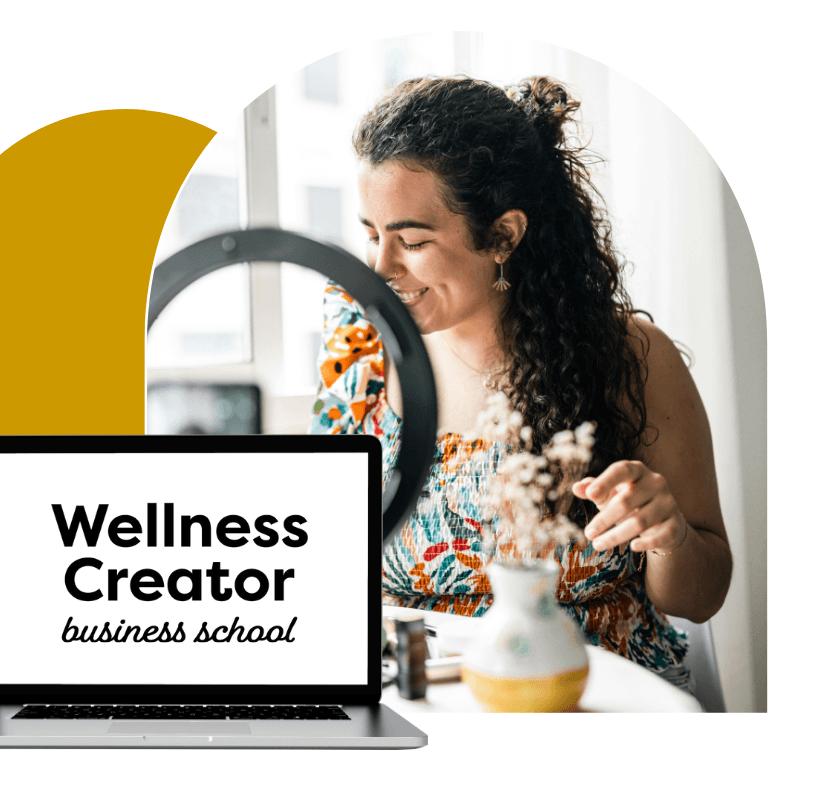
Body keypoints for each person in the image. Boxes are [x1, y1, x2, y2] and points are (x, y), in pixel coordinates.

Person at [308, 75, 732, 689]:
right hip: (417, 698)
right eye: (372, 236)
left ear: (503, 236)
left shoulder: (629, 359)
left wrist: (665, 535)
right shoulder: (357, 347)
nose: (382, 270)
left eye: (413, 241)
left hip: (584, 701)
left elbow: (702, 595)